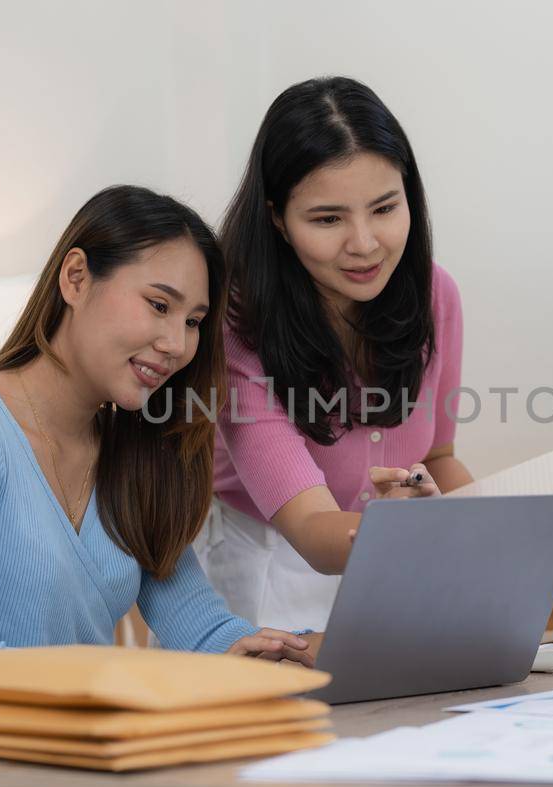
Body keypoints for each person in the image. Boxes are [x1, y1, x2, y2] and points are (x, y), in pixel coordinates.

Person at [0, 186, 312, 768]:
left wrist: (289, 652)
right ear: (75, 278)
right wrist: (127, 684)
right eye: (158, 304)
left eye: (193, 321)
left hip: (61, 760)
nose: (176, 345)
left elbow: (201, 627)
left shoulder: (132, 454)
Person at [198, 77, 475, 632]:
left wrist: (502, 528)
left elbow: (438, 456)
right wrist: (403, 530)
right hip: (268, 570)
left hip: (388, 567)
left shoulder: (434, 293)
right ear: (277, 218)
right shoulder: (235, 323)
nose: (365, 243)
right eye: (328, 219)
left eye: (384, 208)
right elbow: (314, 529)